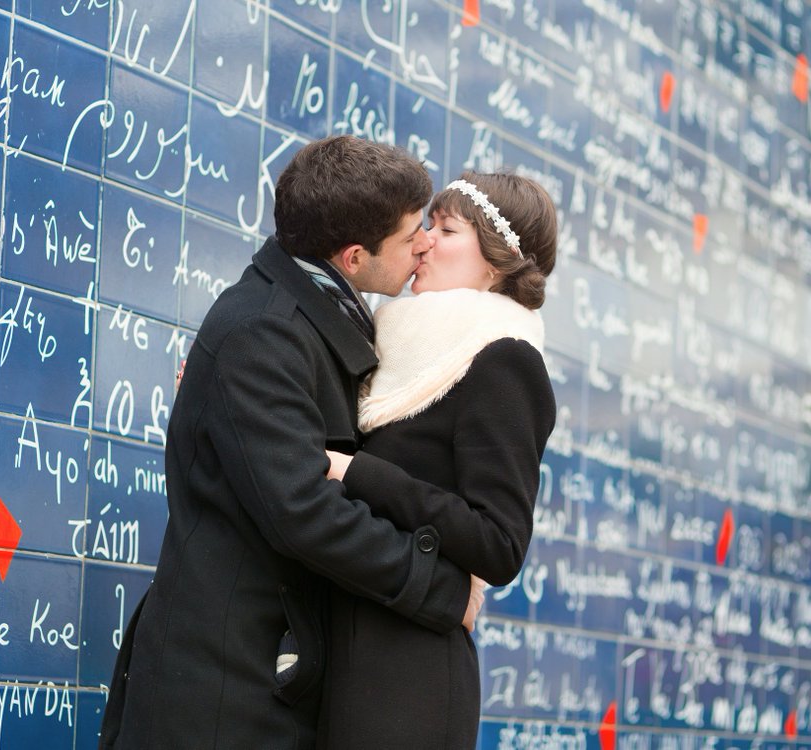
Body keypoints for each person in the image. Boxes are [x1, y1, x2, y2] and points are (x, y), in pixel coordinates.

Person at [98, 136, 484, 750]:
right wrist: (438, 587)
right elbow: (303, 510)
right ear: (354, 256)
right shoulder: (264, 332)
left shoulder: (318, 319)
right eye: (414, 231)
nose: (426, 242)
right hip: (224, 697)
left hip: (271, 680)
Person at [318, 171, 559, 749]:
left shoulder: (504, 361)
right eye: (425, 226)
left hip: (408, 676)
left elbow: (499, 543)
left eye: (445, 228)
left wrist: (359, 474)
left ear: (496, 262)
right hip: (341, 650)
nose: (423, 240)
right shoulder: (392, 343)